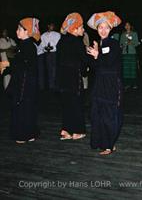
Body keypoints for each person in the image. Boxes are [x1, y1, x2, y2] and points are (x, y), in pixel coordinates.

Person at [86, 11, 123, 155]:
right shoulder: (99, 44)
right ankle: (102, 142)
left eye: (106, 27)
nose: (103, 30)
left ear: (110, 29)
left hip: (112, 84)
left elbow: (110, 63)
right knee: (97, 113)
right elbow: (95, 67)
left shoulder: (113, 43)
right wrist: (94, 57)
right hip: (100, 83)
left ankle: (109, 145)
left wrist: (98, 55)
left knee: (110, 114)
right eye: (100, 27)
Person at [4, 17, 40, 143]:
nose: (17, 31)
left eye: (20, 29)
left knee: (22, 106)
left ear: (27, 32)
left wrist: (8, 64)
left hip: (25, 83)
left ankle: (22, 134)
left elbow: (24, 65)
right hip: (25, 81)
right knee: (27, 107)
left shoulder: (28, 46)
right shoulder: (24, 45)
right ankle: (29, 133)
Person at [57, 13, 87, 141]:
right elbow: (83, 60)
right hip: (74, 77)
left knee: (66, 103)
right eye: (81, 27)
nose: (83, 29)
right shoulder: (77, 42)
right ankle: (77, 131)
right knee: (76, 102)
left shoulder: (61, 41)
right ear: (75, 28)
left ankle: (66, 130)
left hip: (62, 78)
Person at [40, 22, 61, 91]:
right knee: (49, 69)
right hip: (47, 53)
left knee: (55, 69)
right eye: (51, 25)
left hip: (54, 53)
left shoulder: (57, 34)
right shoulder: (43, 35)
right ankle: (51, 85)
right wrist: (45, 48)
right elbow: (42, 45)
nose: (52, 26)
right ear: (48, 26)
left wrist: (52, 47)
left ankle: (55, 85)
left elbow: (58, 44)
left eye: (53, 25)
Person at [119, 21, 139, 90]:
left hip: (132, 52)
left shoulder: (134, 34)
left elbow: (137, 43)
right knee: (126, 70)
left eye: (128, 25)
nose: (127, 26)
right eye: (126, 25)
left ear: (130, 26)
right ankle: (127, 84)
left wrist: (131, 42)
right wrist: (122, 45)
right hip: (125, 53)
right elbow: (120, 44)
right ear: (124, 27)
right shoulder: (122, 34)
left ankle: (134, 84)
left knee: (133, 69)